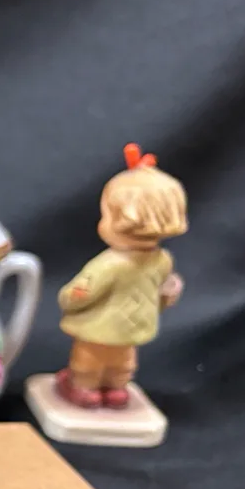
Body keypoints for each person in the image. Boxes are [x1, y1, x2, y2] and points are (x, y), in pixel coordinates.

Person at [54, 144, 187, 409]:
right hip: (133, 327)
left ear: (117, 220)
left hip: (97, 328)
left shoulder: (109, 264)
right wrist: (168, 295)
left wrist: (68, 299)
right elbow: (159, 295)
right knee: (123, 361)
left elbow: (79, 295)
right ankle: (116, 389)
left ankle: (85, 388)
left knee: (89, 361)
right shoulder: (163, 260)